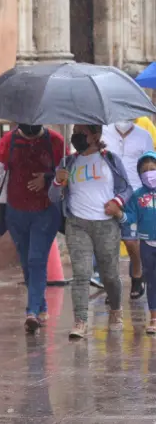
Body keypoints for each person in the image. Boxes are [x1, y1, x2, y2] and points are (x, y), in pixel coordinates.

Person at [49, 125, 132, 338]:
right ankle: (80, 321)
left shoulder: (110, 160)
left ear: (95, 135)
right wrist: (58, 180)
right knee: (81, 274)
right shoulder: (68, 162)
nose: (76, 136)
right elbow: (52, 195)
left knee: (110, 275)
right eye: (74, 131)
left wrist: (117, 201)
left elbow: (126, 188)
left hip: (106, 224)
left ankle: (115, 310)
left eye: (81, 132)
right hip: (77, 224)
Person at [0, 123, 65, 333]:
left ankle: (32, 312)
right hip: (16, 212)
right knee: (26, 260)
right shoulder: (9, 140)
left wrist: (47, 178)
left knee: (36, 259)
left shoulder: (56, 140)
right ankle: (41, 304)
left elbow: (66, 171)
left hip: (46, 211)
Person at [102, 121, 154, 299]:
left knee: (132, 242)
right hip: (109, 194)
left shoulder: (143, 135)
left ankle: (137, 276)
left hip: (136, 196)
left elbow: (149, 161)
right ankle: (112, 285)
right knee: (109, 243)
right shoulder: (104, 132)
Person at [114, 151, 156, 333]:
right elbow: (130, 217)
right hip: (146, 245)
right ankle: (154, 319)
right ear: (139, 174)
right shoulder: (137, 196)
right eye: (144, 170)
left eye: (152, 169)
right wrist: (119, 214)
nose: (149, 173)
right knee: (152, 282)